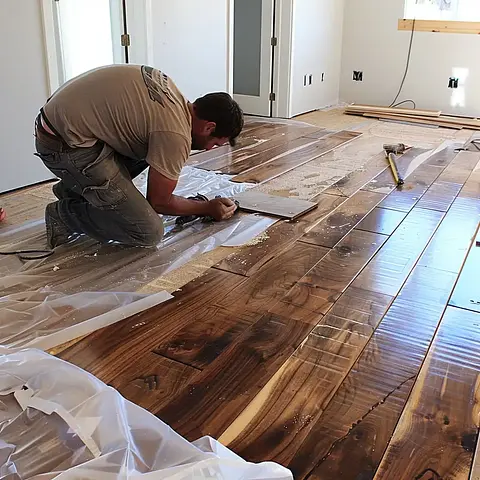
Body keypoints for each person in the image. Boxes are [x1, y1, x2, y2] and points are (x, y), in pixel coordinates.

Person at [34, 64, 244, 248]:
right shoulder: (174, 134)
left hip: (59, 127)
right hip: (63, 145)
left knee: (147, 149)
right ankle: (63, 215)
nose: (209, 149)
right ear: (209, 127)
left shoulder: (172, 93)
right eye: (215, 143)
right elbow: (159, 202)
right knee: (147, 231)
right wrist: (206, 207)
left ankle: (74, 189)